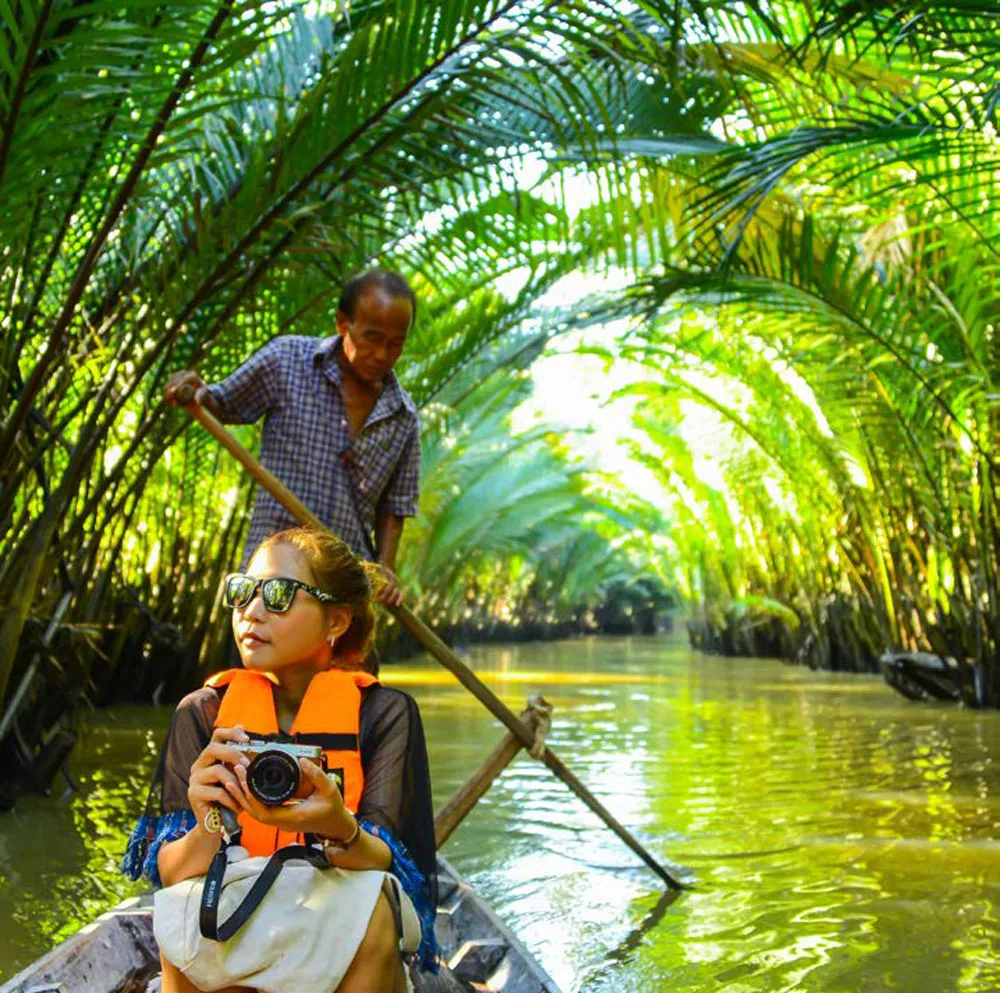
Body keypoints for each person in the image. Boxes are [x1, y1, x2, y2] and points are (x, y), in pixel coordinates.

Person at [122, 527, 438, 992]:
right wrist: (210, 819)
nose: (251, 611)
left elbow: (389, 871)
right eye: (242, 591)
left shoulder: (383, 714)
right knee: (181, 905)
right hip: (232, 913)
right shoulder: (203, 710)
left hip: (337, 917)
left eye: (278, 594)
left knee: (374, 909)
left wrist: (338, 825)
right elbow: (172, 874)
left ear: (336, 621)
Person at [165, 269, 421, 608]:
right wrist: (197, 393)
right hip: (271, 584)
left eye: (395, 344)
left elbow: (395, 507)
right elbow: (224, 404)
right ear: (343, 324)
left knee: (350, 664)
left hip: (343, 592)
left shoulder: (403, 416)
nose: (382, 355)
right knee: (259, 662)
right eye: (372, 338)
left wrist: (385, 570)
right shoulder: (287, 361)